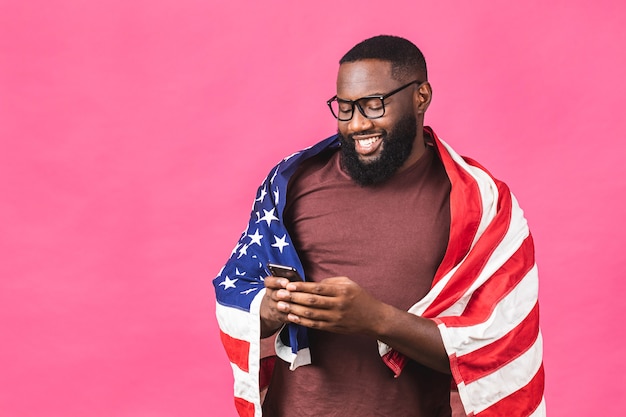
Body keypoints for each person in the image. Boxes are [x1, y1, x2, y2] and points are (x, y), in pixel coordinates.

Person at [213, 35, 545, 417]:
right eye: (345, 108)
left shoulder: (479, 205)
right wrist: (270, 309)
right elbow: (236, 295)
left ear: (421, 97)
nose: (356, 125)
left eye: (374, 106)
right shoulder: (291, 184)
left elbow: (494, 348)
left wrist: (376, 318)